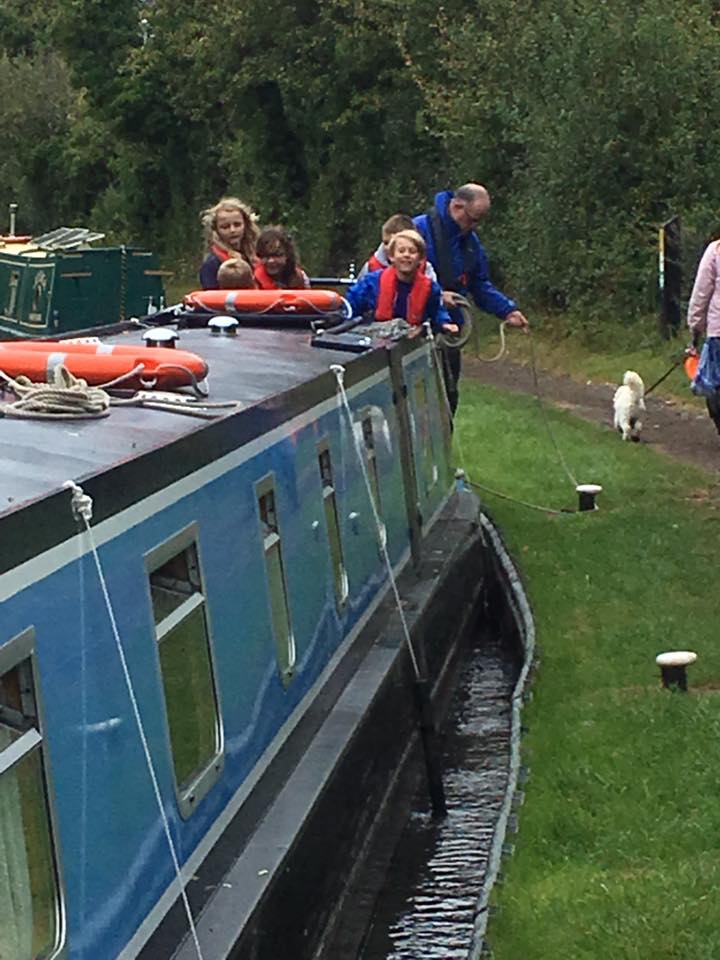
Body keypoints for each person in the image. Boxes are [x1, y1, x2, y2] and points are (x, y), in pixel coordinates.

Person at [413, 183, 528, 413]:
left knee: (448, 397)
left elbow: (479, 283)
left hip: (450, 333)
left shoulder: (470, 243)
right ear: (457, 207)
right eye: (473, 220)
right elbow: (396, 275)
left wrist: (507, 310)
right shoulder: (418, 229)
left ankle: (444, 447)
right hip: (415, 332)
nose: (475, 227)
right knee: (419, 404)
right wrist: (434, 294)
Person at [345, 229, 459, 335]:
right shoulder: (372, 282)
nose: (406, 255)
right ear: (391, 256)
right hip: (378, 339)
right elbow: (351, 304)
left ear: (420, 258)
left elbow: (437, 311)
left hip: (412, 342)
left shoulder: (430, 288)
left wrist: (445, 323)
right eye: (401, 251)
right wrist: (341, 311)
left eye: (412, 251)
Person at [687, 238, 720, 434]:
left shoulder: (715, 251)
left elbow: (701, 293)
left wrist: (695, 327)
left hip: (718, 333)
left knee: (715, 384)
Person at [199, 197, 260, 289]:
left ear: (246, 225)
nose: (232, 230)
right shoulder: (212, 264)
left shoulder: (258, 254)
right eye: (225, 227)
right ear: (216, 230)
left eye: (237, 225)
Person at [358, 213, 437, 280]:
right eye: (386, 243)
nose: (389, 247)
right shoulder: (370, 268)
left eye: (394, 244)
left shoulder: (426, 270)